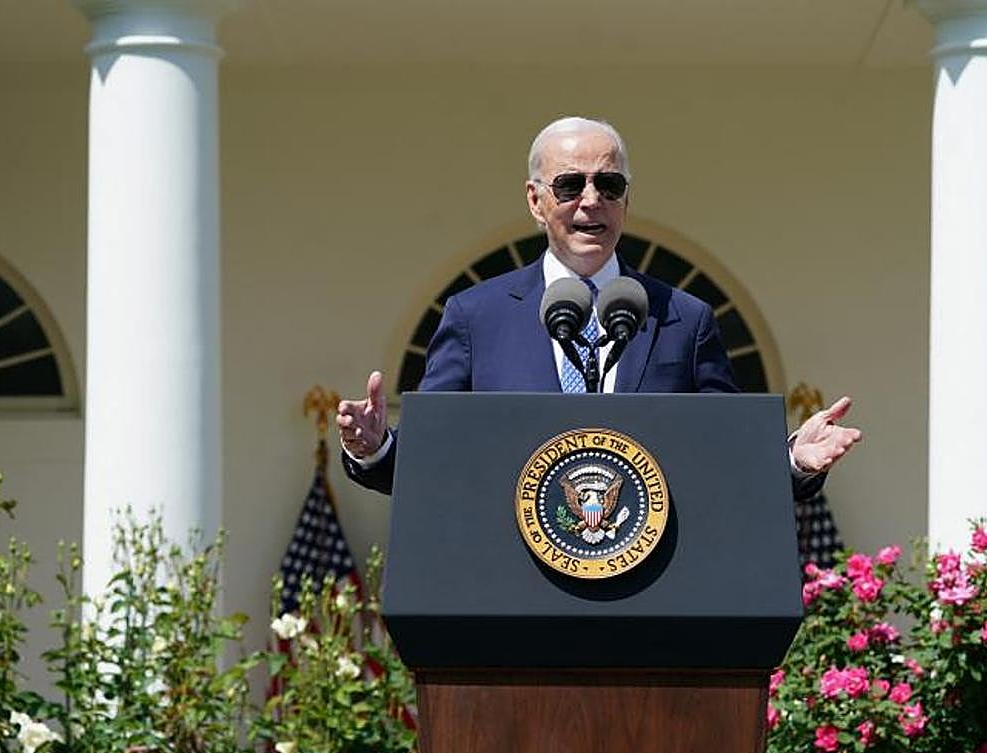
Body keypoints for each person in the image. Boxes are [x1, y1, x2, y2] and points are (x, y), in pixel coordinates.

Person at [338, 116, 860, 495]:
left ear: (626, 201)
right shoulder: (476, 317)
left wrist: (792, 461)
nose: (591, 201)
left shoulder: (684, 318)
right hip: (510, 598)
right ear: (535, 200)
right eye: (569, 185)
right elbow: (434, 459)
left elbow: (723, 456)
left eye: (608, 185)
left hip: (647, 603)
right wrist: (376, 447)